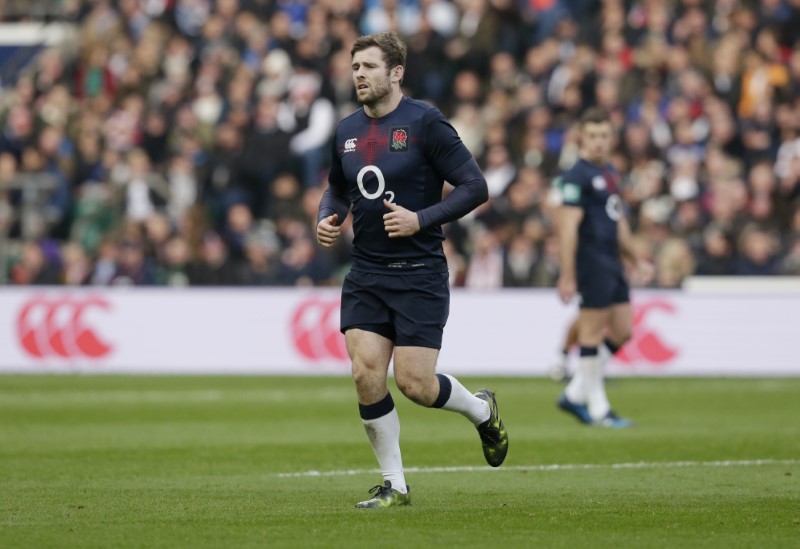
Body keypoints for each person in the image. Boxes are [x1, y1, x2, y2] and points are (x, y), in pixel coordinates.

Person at [316, 32, 508, 509]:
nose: (359, 74)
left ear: (396, 72)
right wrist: (328, 216)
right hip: (367, 272)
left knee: (416, 385)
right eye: (355, 66)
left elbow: (475, 186)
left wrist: (421, 218)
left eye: (369, 66)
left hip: (420, 270)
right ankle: (394, 485)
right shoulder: (345, 131)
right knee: (365, 374)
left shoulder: (426, 123)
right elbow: (337, 189)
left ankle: (482, 411)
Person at [555, 106, 650, 428]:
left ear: (612, 137)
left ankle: (575, 392)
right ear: (582, 136)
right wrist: (568, 274)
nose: (598, 141)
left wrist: (635, 257)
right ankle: (599, 408)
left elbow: (618, 218)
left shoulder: (610, 171)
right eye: (593, 135)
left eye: (604, 135)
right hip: (591, 260)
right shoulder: (575, 175)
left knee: (623, 330)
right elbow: (568, 228)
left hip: (612, 259)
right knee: (592, 334)